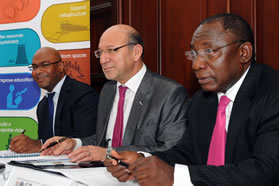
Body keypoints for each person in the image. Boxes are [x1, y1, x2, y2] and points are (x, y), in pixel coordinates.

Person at [104, 13, 279, 185]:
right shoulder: (201, 100)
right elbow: (188, 152)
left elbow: (266, 170)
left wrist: (175, 176)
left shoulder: (272, 94)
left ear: (244, 53)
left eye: (209, 51)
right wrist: (143, 161)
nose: (196, 65)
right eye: (193, 54)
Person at [41, 24, 189, 163]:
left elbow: (171, 150)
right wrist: (74, 143)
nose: (103, 60)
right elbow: (102, 142)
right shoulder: (108, 90)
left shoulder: (168, 93)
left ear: (136, 52)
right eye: (100, 52)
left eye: (112, 50)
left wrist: (108, 154)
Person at [10, 47, 99, 153]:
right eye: (34, 67)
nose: (38, 71)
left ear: (60, 66)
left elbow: (86, 141)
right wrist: (30, 145)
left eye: (45, 65)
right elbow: (47, 143)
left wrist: (38, 144)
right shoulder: (43, 105)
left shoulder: (83, 94)